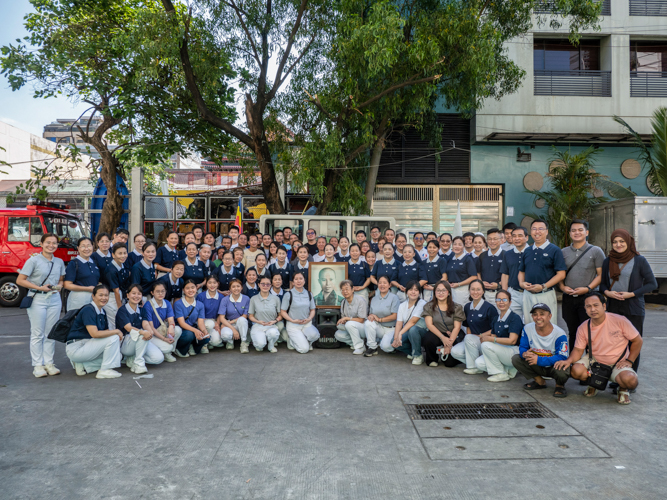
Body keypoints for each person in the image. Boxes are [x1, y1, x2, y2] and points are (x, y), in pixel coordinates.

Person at [555, 292, 642, 404]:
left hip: (618, 361)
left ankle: (623, 388)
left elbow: (637, 340)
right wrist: (568, 361)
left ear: (604, 306)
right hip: (595, 361)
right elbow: (578, 350)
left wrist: (630, 361)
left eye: (596, 305)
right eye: (588, 306)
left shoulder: (619, 320)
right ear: (585, 309)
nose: (592, 309)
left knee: (630, 380)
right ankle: (594, 383)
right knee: (576, 371)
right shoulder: (583, 327)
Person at [600, 228, 656, 372]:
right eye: (615, 242)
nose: (618, 244)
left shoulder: (639, 260)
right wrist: (608, 293)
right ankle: (616, 376)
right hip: (613, 306)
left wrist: (631, 294)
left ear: (628, 242)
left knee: (633, 342)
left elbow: (652, 284)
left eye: (622, 241)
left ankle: (630, 375)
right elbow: (603, 284)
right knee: (615, 341)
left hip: (633, 307)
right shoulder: (608, 260)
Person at [17, 233, 66, 378]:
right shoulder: (33, 261)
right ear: (42, 244)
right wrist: (40, 288)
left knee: (50, 332)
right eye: (48, 242)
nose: (51, 245)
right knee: (37, 333)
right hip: (38, 298)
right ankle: (38, 365)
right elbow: (20, 280)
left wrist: (59, 286)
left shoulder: (59, 262)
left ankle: (49, 363)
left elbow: (61, 279)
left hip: (54, 299)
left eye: (54, 243)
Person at [560, 219, 605, 349]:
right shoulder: (563, 252)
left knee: (589, 330)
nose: (577, 233)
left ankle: (591, 362)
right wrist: (562, 287)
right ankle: (574, 362)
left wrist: (587, 288)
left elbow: (601, 275)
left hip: (588, 297)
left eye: (580, 230)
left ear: (587, 232)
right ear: (569, 233)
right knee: (573, 331)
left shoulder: (596, 251)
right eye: (573, 230)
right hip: (568, 298)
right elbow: (559, 274)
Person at [65, 284, 123, 379]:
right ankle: (104, 370)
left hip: (87, 345)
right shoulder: (88, 309)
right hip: (77, 347)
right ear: (93, 296)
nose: (104, 298)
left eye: (106, 295)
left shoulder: (102, 311)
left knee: (118, 356)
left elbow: (105, 331)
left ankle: (83, 365)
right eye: (100, 295)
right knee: (113, 338)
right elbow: (94, 334)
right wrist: (116, 331)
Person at [511, 303, 570, 398]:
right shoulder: (527, 328)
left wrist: (539, 360)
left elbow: (562, 356)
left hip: (552, 366)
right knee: (516, 358)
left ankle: (560, 385)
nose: (538, 317)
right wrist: (524, 354)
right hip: (535, 364)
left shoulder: (559, 334)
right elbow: (523, 347)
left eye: (542, 314)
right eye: (535, 314)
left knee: (564, 367)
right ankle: (539, 381)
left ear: (549, 316)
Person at [518, 219, 567, 324]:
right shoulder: (527, 250)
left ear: (547, 231)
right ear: (530, 232)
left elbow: (561, 274)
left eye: (541, 229)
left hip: (546, 294)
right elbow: (521, 271)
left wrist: (543, 286)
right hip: (528, 295)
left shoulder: (555, 250)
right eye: (534, 229)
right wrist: (521, 283)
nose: (537, 232)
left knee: (547, 325)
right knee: (528, 324)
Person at [474, 289, 523, 382]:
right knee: (479, 363)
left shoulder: (514, 318)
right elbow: (493, 334)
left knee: (486, 345)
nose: (501, 302)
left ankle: (500, 373)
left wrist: (491, 339)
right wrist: (483, 337)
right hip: (501, 350)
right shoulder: (496, 318)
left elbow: (512, 340)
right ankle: (508, 369)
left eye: (504, 300)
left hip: (513, 351)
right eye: (498, 300)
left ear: (510, 302)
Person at [451, 280, 499, 373]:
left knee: (468, 338)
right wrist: (470, 339)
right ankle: (479, 364)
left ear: (483, 291)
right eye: (472, 289)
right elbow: (467, 326)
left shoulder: (489, 308)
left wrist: (480, 336)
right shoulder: (467, 307)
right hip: (472, 340)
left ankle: (473, 367)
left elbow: (495, 328)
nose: (475, 292)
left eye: (478, 289)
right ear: (469, 290)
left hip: (486, 340)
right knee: (455, 352)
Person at [115, 283, 164, 373]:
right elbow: (128, 328)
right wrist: (143, 332)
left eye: (139, 294)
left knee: (158, 358)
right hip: (126, 343)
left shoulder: (142, 309)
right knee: (141, 335)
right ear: (128, 295)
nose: (136, 296)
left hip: (141, 339)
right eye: (133, 293)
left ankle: (134, 358)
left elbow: (145, 323)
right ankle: (138, 364)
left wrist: (149, 331)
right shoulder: (122, 310)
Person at [421, 280, 465, 367]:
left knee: (449, 363)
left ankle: (447, 352)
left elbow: (457, 327)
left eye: (443, 290)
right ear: (435, 292)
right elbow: (429, 325)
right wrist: (443, 337)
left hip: (453, 334)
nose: (441, 293)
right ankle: (432, 359)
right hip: (437, 333)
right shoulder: (429, 306)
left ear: (448, 292)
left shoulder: (457, 307)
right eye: (438, 290)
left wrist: (449, 344)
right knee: (428, 338)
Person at [386, 281, 427, 363]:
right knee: (394, 343)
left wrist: (400, 334)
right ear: (406, 291)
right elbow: (399, 323)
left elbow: (413, 321)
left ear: (419, 292)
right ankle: (413, 352)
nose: (413, 292)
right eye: (411, 289)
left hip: (421, 332)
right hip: (408, 331)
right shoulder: (402, 305)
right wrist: (395, 338)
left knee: (413, 329)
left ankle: (417, 355)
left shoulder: (422, 303)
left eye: (416, 290)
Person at [281, 272, 319, 353]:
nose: (299, 281)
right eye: (296, 279)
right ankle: (291, 341)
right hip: (293, 325)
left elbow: (312, 310)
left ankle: (303, 340)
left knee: (315, 335)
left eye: (301, 279)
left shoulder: (309, 294)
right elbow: (283, 312)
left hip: (306, 324)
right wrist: (292, 320)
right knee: (304, 350)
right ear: (293, 282)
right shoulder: (288, 294)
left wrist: (309, 319)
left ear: (304, 281)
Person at [363, 275, 400, 356]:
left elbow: (395, 316)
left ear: (389, 285)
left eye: (384, 283)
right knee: (368, 322)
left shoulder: (394, 298)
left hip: (391, 329)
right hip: (379, 328)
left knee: (386, 347)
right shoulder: (374, 299)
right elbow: (371, 314)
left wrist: (380, 319)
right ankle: (372, 347)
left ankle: (390, 344)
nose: (382, 285)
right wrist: (371, 316)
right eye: (380, 283)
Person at [143, 282, 180, 362]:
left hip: (161, 330)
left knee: (177, 330)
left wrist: (170, 326)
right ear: (152, 293)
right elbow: (151, 327)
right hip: (152, 334)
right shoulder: (148, 305)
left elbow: (171, 319)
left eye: (163, 291)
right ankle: (163, 350)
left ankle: (167, 353)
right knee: (167, 347)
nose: (160, 293)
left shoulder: (166, 303)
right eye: (157, 291)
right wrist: (164, 339)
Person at [173, 280, 210, 357]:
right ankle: (180, 349)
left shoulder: (200, 305)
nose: (190, 290)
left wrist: (204, 331)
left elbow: (200, 323)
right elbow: (182, 323)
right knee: (189, 335)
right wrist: (196, 331)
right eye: (187, 288)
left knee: (206, 337)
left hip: (192, 329)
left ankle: (192, 346)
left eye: (193, 287)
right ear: (183, 290)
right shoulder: (178, 304)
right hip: (182, 330)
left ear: (196, 289)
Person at [64, 237, 101, 311]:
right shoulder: (74, 263)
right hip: (78, 300)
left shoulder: (94, 262)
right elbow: (67, 285)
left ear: (93, 247)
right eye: (83, 246)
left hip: (94, 298)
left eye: (89, 246)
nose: (86, 249)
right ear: (78, 248)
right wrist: (87, 289)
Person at [500, 226, 529, 321]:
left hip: (529, 293)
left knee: (529, 321)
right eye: (514, 236)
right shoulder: (508, 254)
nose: (517, 238)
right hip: (514, 293)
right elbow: (505, 274)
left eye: (520, 236)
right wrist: (504, 293)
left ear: (527, 237)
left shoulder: (532, 252)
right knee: (514, 321)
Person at [248, 276, 283, 353]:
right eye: (263, 284)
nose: (265, 286)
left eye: (268, 284)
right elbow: (250, 316)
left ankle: (271, 344)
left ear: (271, 285)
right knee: (260, 346)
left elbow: (280, 315)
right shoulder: (253, 299)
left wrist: (275, 321)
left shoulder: (276, 299)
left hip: (271, 325)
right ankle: (261, 342)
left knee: (273, 333)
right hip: (258, 325)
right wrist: (259, 321)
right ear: (259, 285)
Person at [335, 280, 369, 354]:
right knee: (338, 334)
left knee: (349, 324)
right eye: (342, 290)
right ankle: (358, 343)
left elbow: (361, 320)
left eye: (347, 289)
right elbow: (344, 318)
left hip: (363, 328)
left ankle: (359, 347)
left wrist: (347, 319)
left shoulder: (360, 300)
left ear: (352, 289)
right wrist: (342, 321)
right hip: (352, 327)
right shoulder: (343, 302)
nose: (345, 291)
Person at [217, 279, 250, 352]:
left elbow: (245, 316)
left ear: (241, 287)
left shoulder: (246, 299)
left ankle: (243, 343)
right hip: (228, 323)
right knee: (225, 335)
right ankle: (230, 341)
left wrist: (229, 323)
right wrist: (233, 329)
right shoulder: (225, 300)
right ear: (230, 289)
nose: (236, 288)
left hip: (240, 324)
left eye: (238, 286)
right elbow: (221, 318)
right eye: (233, 287)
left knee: (242, 320)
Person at [444, 236, 478, 306]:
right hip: (450, 290)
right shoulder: (450, 259)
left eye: (460, 244)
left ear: (464, 246)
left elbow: (474, 277)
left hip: (463, 290)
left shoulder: (468, 259)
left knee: (460, 312)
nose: (457, 246)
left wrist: (459, 284)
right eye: (455, 244)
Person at [103, 243, 130, 329]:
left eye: (125, 253)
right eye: (120, 253)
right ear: (113, 255)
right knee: (115, 323)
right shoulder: (111, 270)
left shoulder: (122, 264)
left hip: (120, 296)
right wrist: (120, 308)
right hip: (112, 297)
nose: (123, 256)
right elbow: (116, 291)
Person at [477, 228, 505, 306]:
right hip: (483, 294)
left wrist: (499, 285)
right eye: (489, 239)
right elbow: (478, 272)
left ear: (501, 240)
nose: (492, 241)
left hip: (499, 294)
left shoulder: (506, 255)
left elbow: (509, 275)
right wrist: (481, 283)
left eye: (495, 239)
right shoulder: (482, 255)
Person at [196, 275, 225, 349]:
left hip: (215, 321)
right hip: (202, 321)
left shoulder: (221, 297)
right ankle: (204, 344)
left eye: (214, 283)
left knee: (216, 342)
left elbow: (220, 313)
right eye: (209, 283)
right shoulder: (200, 296)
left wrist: (217, 324)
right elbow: (197, 313)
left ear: (218, 284)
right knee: (210, 324)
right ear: (206, 284)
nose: (212, 285)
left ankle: (209, 341)